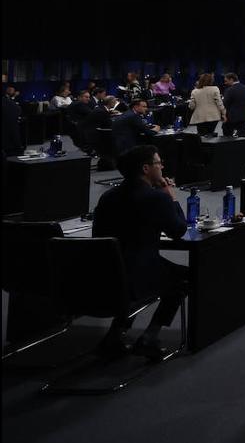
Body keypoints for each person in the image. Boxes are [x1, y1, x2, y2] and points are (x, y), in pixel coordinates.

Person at [92, 144, 188, 358]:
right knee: (184, 278)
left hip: (103, 272)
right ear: (146, 169)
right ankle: (149, 337)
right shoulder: (157, 198)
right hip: (138, 274)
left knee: (137, 278)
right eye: (158, 163)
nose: (162, 166)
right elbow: (178, 230)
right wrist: (170, 195)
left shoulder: (107, 197)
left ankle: (115, 334)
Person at [187, 73, 226, 137]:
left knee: (201, 135)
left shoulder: (194, 91)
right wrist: (224, 113)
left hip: (199, 116)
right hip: (213, 116)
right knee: (210, 134)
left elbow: (192, 106)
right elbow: (219, 103)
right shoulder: (215, 89)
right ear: (211, 81)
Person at [221, 73, 245, 137]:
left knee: (227, 137)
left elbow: (225, 104)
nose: (225, 83)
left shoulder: (229, 90)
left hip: (231, 118)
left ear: (231, 79)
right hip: (244, 116)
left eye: (226, 81)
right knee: (242, 138)